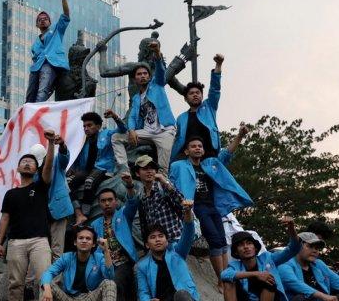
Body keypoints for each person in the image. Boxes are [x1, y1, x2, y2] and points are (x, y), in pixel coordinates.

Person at [169, 125, 253, 290]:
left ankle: (227, 276)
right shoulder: (179, 166)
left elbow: (226, 154)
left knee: (222, 241)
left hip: (212, 206)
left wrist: (240, 136)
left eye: (200, 146)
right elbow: (171, 183)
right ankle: (221, 280)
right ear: (186, 151)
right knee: (214, 241)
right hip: (196, 207)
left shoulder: (209, 164)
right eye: (193, 146)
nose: (197, 148)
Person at [0, 130, 57, 301]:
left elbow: (48, 166)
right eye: (24, 161)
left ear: (36, 169)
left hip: (40, 241)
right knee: (15, 283)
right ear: (18, 168)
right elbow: (5, 218)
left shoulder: (41, 186)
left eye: (32, 162)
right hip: (16, 242)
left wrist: (51, 143)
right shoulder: (10, 194)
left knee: (44, 280)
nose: (28, 163)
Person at [137, 200, 204, 301]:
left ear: (167, 240)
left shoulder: (178, 254)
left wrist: (187, 213)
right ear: (147, 244)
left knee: (182, 293)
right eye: (153, 237)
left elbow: (188, 233)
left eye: (161, 236)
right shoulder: (142, 266)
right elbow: (143, 292)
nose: (158, 240)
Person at [220, 216, 299, 301]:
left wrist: (291, 228)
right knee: (229, 282)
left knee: (269, 279)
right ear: (236, 252)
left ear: (255, 248)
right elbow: (224, 275)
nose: (246, 247)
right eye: (241, 245)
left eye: (249, 243)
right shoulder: (235, 265)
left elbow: (293, 249)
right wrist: (256, 274)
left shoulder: (268, 258)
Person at [35, 226, 118, 301]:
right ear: (75, 242)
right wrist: (47, 287)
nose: (84, 241)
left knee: (109, 283)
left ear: (93, 244)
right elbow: (48, 273)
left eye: (88, 239)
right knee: (46, 284)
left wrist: (106, 251)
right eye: (81, 238)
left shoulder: (99, 258)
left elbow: (110, 276)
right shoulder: (67, 257)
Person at [111, 41, 176, 174]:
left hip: (165, 131)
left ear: (149, 76)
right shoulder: (136, 98)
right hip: (146, 132)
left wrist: (157, 52)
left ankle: (162, 184)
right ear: (135, 79)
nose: (142, 76)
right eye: (139, 74)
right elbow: (132, 117)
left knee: (163, 170)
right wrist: (131, 130)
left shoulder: (157, 85)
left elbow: (160, 70)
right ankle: (124, 169)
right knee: (116, 138)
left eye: (145, 73)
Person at [69, 110, 127, 225]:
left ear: (98, 126)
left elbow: (123, 129)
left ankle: (85, 215)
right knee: (67, 185)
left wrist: (115, 116)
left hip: (103, 169)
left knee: (89, 181)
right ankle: (78, 213)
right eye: (84, 126)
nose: (86, 128)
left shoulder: (106, 134)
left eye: (89, 125)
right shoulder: (83, 142)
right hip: (86, 171)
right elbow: (76, 160)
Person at [90, 187, 140, 301]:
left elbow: (132, 203)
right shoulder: (95, 224)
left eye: (110, 200)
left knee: (115, 281)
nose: (107, 203)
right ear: (99, 203)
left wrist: (129, 185)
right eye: (103, 201)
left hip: (123, 261)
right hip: (104, 263)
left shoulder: (124, 215)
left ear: (116, 201)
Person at [170, 54, 224, 161]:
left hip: (210, 156)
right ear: (185, 99)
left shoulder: (209, 107)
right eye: (191, 93)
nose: (195, 95)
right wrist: (172, 158)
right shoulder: (181, 118)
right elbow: (178, 140)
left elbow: (215, 89)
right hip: (188, 159)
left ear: (202, 96)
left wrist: (218, 64)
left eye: (198, 93)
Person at [25, 0, 70, 104]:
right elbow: (35, 58)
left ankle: (38, 109)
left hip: (51, 64)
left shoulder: (56, 30)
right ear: (37, 25)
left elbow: (66, 15)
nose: (43, 20)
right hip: (36, 68)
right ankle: (28, 110)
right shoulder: (35, 44)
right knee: (30, 94)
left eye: (45, 19)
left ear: (49, 22)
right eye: (40, 20)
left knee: (42, 90)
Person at [127, 155, 185, 243]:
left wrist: (165, 183)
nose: (149, 171)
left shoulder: (163, 185)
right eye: (145, 169)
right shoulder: (142, 194)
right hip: (157, 244)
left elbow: (182, 202)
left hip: (175, 239)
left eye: (152, 168)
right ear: (137, 173)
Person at [29, 140, 71, 260]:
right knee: (42, 248)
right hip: (42, 214)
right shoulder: (33, 173)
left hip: (59, 209)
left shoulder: (56, 161)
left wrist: (62, 145)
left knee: (57, 248)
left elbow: (64, 158)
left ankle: (56, 272)